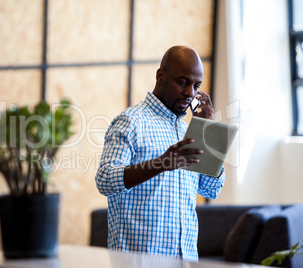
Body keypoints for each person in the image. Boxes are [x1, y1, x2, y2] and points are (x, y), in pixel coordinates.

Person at [95, 45, 225, 262]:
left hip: (185, 260)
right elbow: (105, 180)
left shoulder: (188, 131)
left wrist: (208, 132)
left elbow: (212, 189)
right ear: (161, 76)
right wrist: (161, 163)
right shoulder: (131, 122)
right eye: (183, 82)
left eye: (196, 86)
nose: (189, 93)